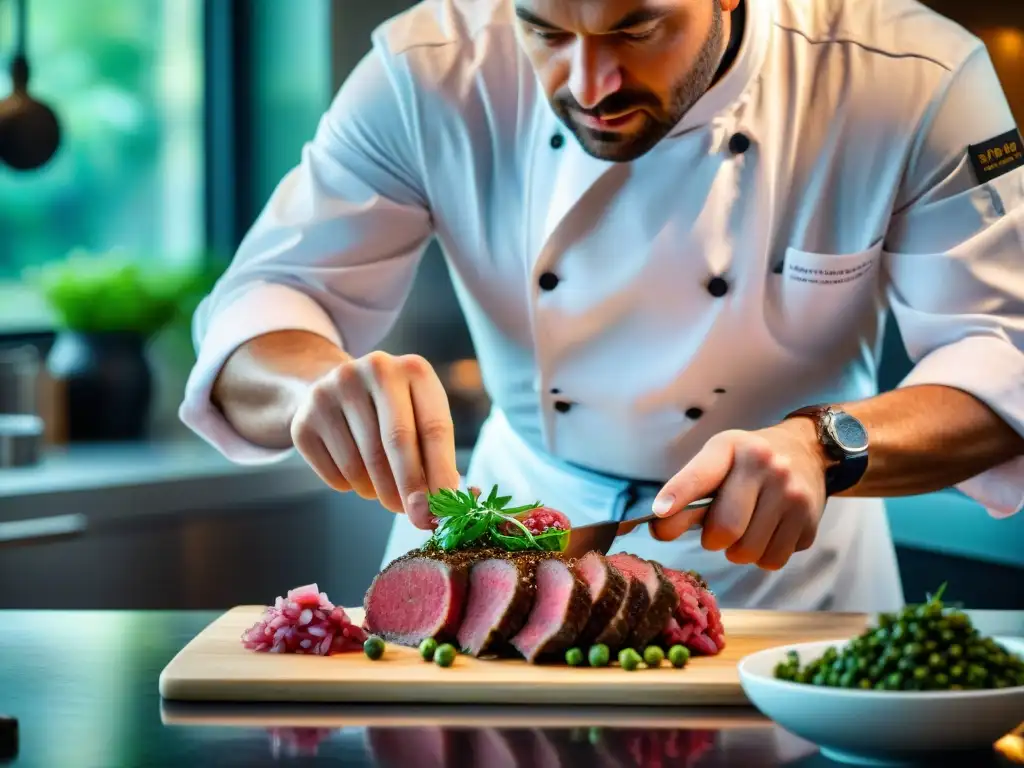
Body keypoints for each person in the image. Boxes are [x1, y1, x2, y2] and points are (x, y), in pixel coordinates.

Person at [180, 0, 1024, 613]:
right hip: (503, 553)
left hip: (787, 585)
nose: (590, 83)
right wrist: (315, 391)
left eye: (637, 26)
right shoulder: (428, 68)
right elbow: (258, 312)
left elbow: (1005, 359)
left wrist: (825, 446)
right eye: (544, 30)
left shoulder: (907, 77)